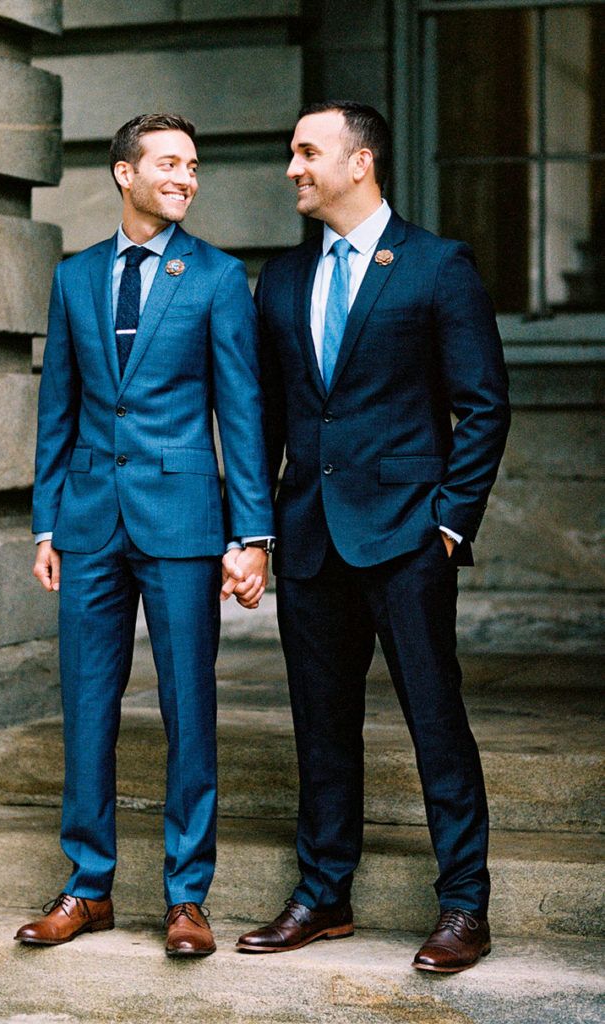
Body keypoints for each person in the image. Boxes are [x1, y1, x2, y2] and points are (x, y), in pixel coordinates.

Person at [236, 101, 510, 973]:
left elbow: (484, 406)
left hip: (405, 540)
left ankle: (465, 906)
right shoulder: (279, 281)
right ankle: (324, 896)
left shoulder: (436, 266)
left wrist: (448, 525)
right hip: (309, 539)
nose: (292, 168)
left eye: (307, 152)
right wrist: (258, 530)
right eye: (290, 153)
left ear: (360, 163)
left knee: (436, 722)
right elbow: (268, 419)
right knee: (322, 727)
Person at [16, 113, 274, 957]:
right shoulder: (76, 277)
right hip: (88, 519)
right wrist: (47, 520)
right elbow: (57, 406)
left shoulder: (217, 278)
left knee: (187, 707)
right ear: (124, 173)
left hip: (185, 521)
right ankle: (87, 888)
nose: (186, 178)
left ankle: (186, 897)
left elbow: (239, 413)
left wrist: (253, 534)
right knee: (87, 705)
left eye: (193, 166)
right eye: (169, 163)